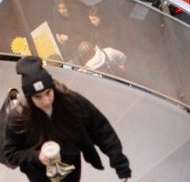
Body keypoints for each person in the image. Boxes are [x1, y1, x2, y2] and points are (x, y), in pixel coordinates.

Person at [3, 56, 132, 181]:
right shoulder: (20, 118)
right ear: (29, 98)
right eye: (38, 97)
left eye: (48, 93)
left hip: (71, 164)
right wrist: (37, 157)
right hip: (40, 174)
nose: (46, 101)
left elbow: (100, 129)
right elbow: (11, 154)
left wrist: (120, 163)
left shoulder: (71, 102)